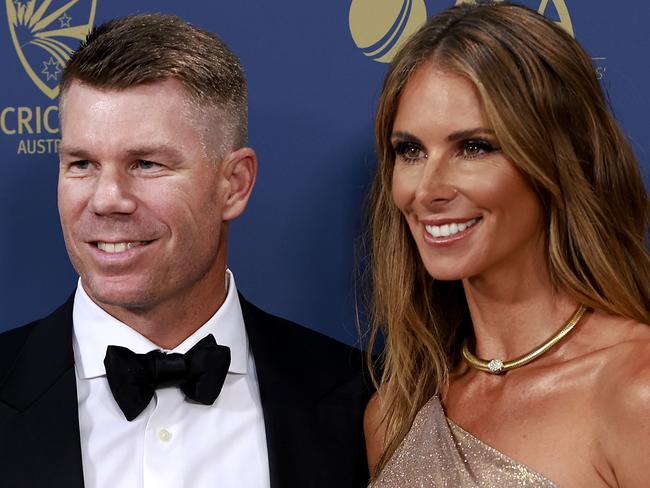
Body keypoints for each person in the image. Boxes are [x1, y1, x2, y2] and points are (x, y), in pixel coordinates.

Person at [0, 14, 372, 488]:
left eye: (147, 163)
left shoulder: (366, 401)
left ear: (233, 185)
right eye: (82, 163)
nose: (107, 198)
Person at [363, 3, 650, 487]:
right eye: (410, 151)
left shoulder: (634, 391)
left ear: (555, 160)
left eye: (474, 147)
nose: (428, 189)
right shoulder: (393, 415)